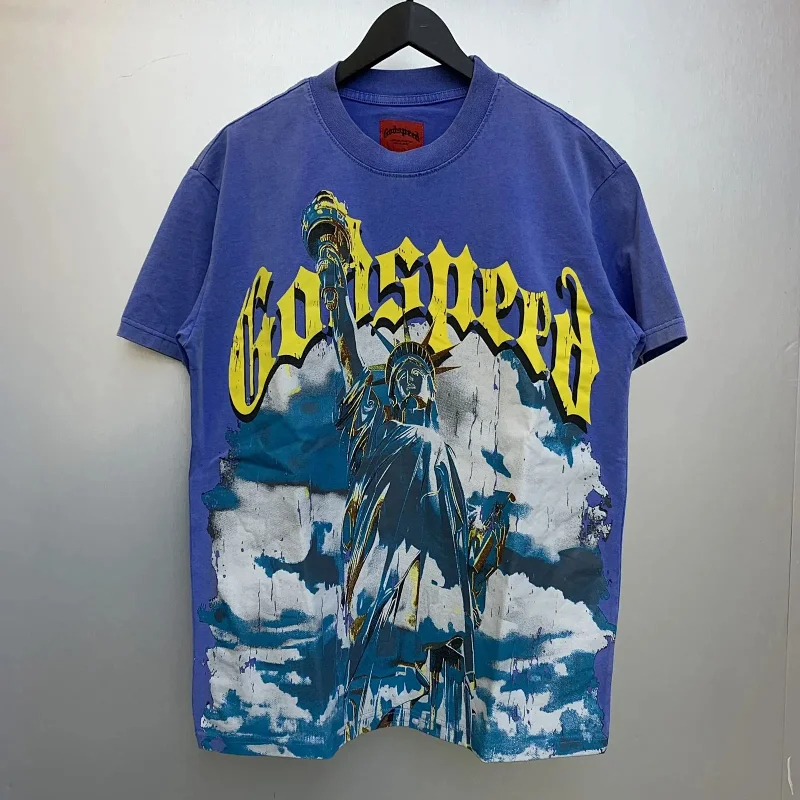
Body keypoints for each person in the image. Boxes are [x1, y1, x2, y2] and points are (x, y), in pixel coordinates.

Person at [302, 190, 510, 744]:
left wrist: (491, 534)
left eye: (423, 374)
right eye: (404, 374)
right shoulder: (374, 426)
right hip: (379, 576)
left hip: (436, 594)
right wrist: (332, 270)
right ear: (390, 388)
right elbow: (347, 348)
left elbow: (470, 551)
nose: (416, 379)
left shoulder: (439, 458)